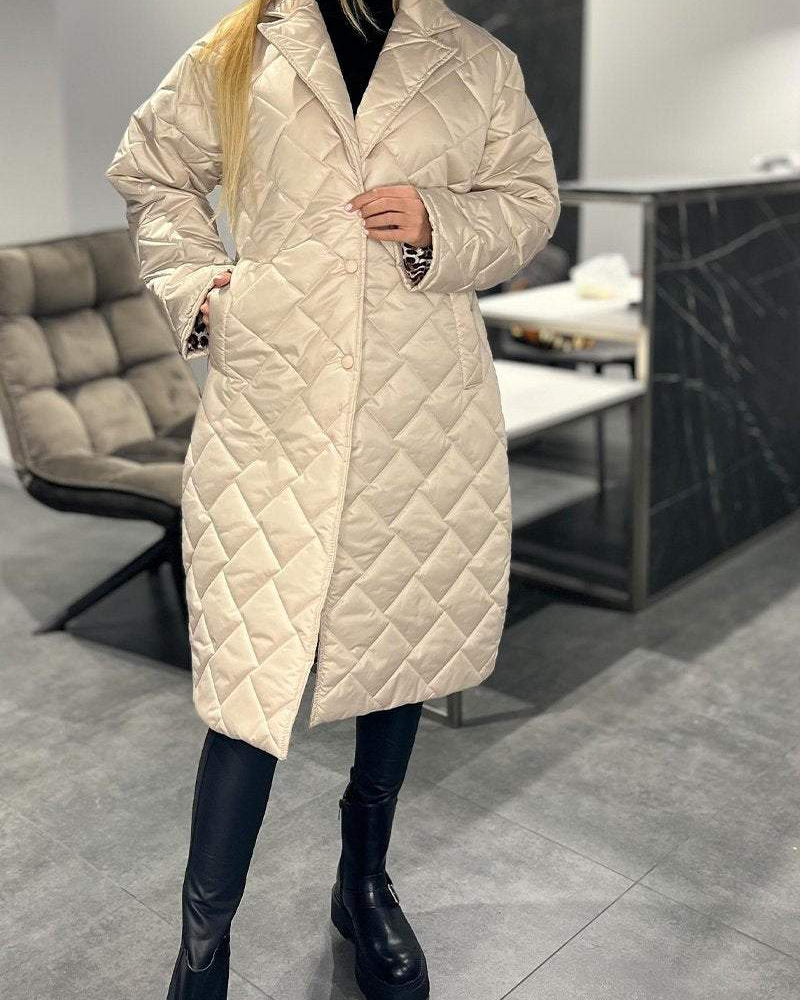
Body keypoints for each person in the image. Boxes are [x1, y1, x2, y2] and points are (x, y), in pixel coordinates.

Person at [106, 0, 560, 997]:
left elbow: (530, 199)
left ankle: (363, 882)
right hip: (274, 401)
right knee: (251, 666)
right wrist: (203, 291)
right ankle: (202, 944)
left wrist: (443, 222)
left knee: (400, 640)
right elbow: (151, 171)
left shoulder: (476, 60)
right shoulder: (238, 49)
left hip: (419, 405)